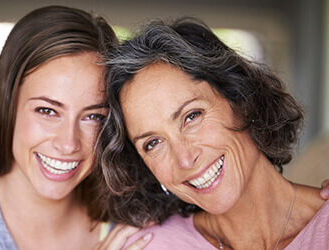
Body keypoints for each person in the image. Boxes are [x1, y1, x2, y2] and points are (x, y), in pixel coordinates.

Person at [0, 6, 150, 249]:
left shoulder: (135, 227)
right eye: (47, 111)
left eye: (94, 116)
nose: (68, 143)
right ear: (7, 106)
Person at [97, 17, 329, 249]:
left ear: (242, 101)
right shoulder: (148, 245)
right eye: (153, 143)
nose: (185, 159)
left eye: (191, 116)